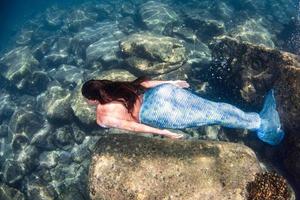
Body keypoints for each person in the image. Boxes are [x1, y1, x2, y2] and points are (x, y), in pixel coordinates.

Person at [81, 76, 284, 145]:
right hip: (162, 93)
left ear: (92, 99)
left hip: (157, 113)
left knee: (213, 115)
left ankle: (261, 125)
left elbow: (132, 127)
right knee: (213, 107)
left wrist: (163, 132)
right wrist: (171, 82)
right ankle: (257, 118)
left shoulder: (102, 116)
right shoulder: (112, 87)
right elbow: (145, 84)